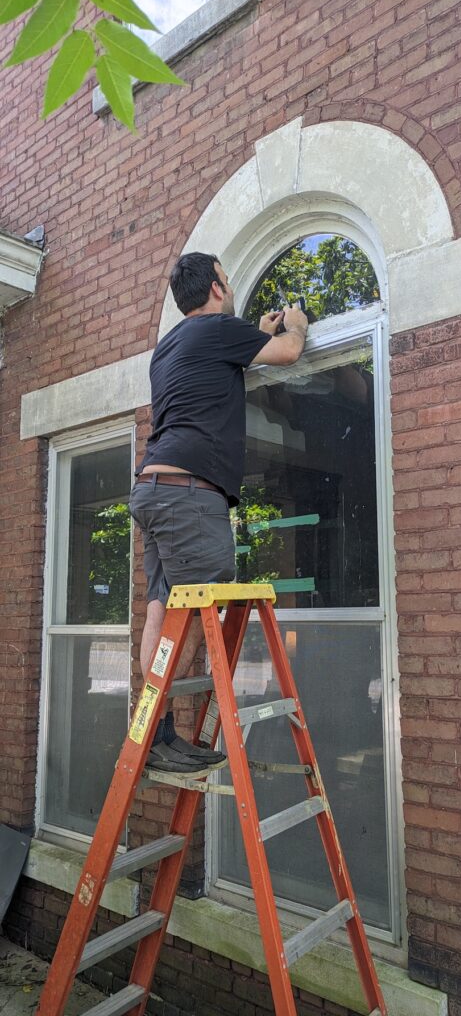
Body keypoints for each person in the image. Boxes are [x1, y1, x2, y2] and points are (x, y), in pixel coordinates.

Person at [129, 252, 308, 772]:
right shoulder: (217, 331)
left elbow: (225, 357)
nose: (229, 289)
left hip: (154, 489)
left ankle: (157, 732)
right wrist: (294, 323)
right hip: (189, 495)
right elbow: (289, 353)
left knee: (161, 610)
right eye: (227, 282)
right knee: (191, 620)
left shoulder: (169, 348)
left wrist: (253, 332)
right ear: (213, 288)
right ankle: (162, 744)